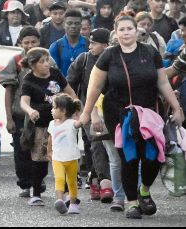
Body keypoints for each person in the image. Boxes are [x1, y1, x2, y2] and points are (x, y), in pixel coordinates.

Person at [76, 16, 185, 219]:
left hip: (150, 112)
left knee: (153, 157)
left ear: (136, 31)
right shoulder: (109, 55)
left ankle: (144, 190)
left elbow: (162, 82)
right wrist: (86, 114)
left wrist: (177, 108)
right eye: (122, 29)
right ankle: (132, 202)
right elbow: (95, 86)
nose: (126, 33)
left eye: (129, 29)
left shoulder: (150, 52)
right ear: (116, 33)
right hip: (119, 113)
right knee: (129, 158)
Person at [19, 47, 77, 207]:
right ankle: (36, 193)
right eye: (42, 61)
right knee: (39, 161)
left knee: (64, 158)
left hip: (61, 125)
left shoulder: (56, 74)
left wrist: (76, 109)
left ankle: (66, 193)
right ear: (32, 64)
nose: (47, 64)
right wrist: (31, 111)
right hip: (41, 126)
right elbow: (23, 102)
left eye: (47, 59)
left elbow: (70, 92)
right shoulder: (29, 80)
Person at [66, 28, 117, 206]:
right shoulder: (84, 59)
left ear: (106, 45)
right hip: (86, 108)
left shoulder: (115, 59)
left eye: (94, 43)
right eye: (90, 42)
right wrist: (77, 108)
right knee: (96, 143)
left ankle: (94, 179)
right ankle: (105, 183)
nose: (90, 46)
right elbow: (68, 84)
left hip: (111, 108)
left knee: (107, 144)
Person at [0, 26, 42, 198]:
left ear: (39, 42)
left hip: (42, 114)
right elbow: (9, 91)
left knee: (40, 149)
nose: (30, 45)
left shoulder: (47, 60)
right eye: (26, 42)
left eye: (34, 41)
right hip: (20, 115)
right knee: (21, 149)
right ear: (20, 43)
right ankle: (25, 183)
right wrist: (9, 118)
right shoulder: (15, 61)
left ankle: (39, 180)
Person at [48, 94, 83, 215]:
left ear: (63, 111)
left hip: (72, 158)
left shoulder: (72, 123)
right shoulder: (51, 124)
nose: (51, 110)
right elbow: (50, 139)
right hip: (57, 158)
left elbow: (81, 122)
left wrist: (80, 110)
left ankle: (73, 204)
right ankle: (59, 200)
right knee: (59, 179)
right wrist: (49, 151)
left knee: (72, 182)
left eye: (54, 107)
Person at [49, 10, 88, 76]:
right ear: (64, 25)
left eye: (77, 23)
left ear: (81, 25)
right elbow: (52, 72)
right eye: (69, 23)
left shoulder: (89, 45)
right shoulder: (56, 46)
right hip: (63, 85)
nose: (73, 26)